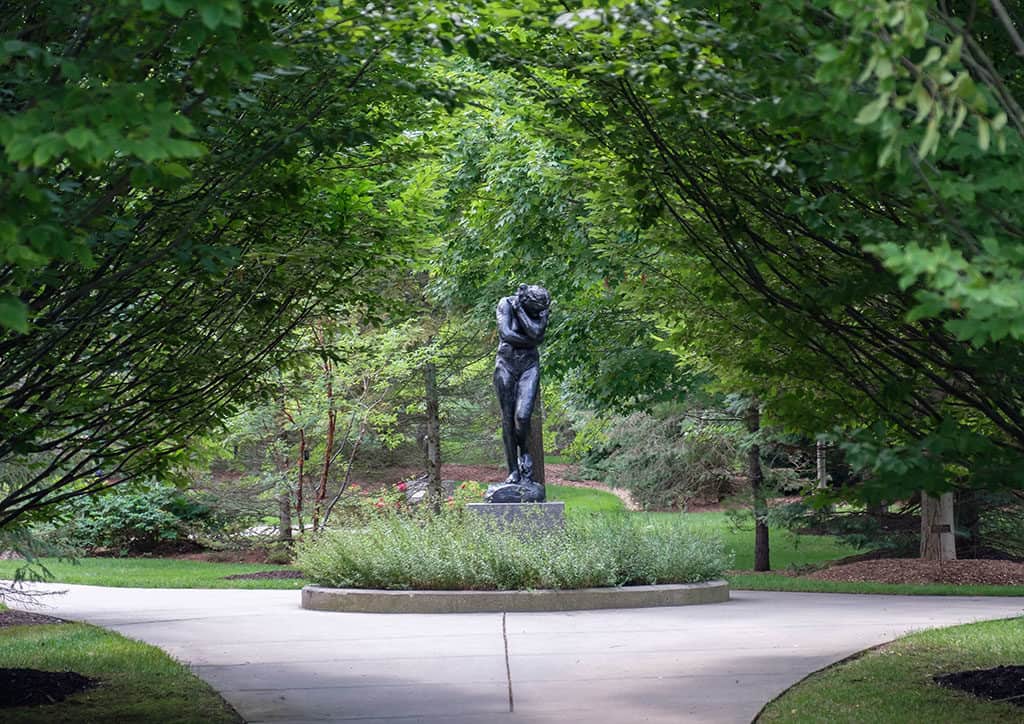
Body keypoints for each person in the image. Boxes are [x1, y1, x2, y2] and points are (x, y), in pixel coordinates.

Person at [487, 284, 550, 503]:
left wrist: (522, 312)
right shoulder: (505, 303)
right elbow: (506, 334)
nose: (539, 314)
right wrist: (532, 340)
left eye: (540, 311)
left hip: (529, 367)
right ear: (526, 300)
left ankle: (525, 455)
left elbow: (537, 333)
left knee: (522, 417)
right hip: (506, 365)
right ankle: (514, 470)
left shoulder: (539, 307)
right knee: (507, 418)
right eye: (535, 310)